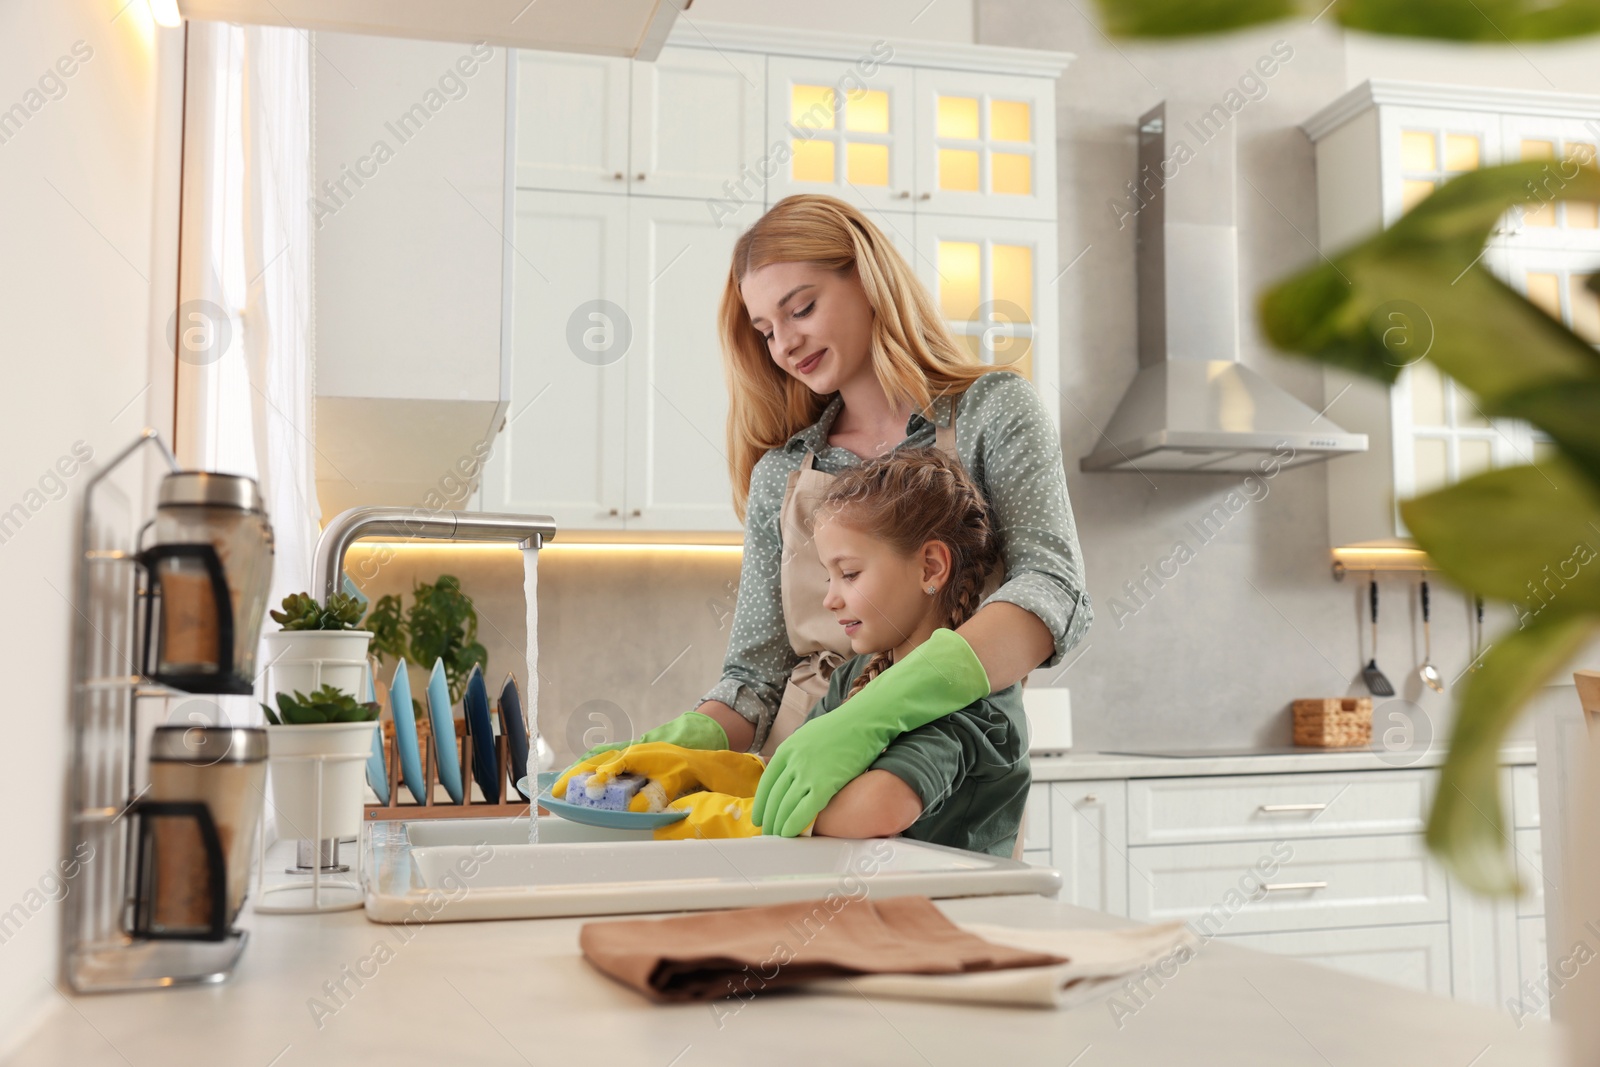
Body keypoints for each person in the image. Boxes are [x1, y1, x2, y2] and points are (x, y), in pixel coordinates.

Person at [563, 193, 1092, 836]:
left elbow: (1051, 591)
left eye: (802, 308)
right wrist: (683, 743)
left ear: (868, 282)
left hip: (934, 771)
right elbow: (756, 678)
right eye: (765, 330)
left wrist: (875, 712)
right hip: (797, 777)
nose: (784, 344)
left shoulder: (990, 414)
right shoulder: (780, 476)